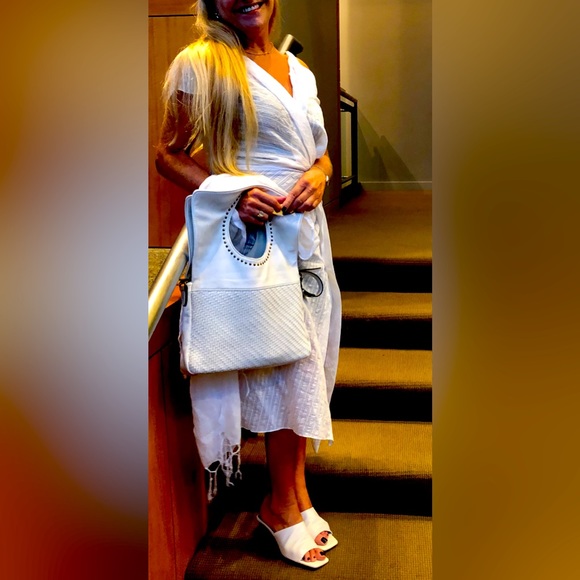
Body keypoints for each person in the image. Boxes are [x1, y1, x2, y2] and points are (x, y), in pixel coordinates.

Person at [155, 0, 341, 570]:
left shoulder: (299, 70)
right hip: (256, 239)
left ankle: (298, 494)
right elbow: (167, 155)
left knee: (311, 358)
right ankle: (278, 506)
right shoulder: (201, 61)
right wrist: (230, 192)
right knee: (285, 364)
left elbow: (320, 156)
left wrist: (320, 175)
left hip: (308, 235)